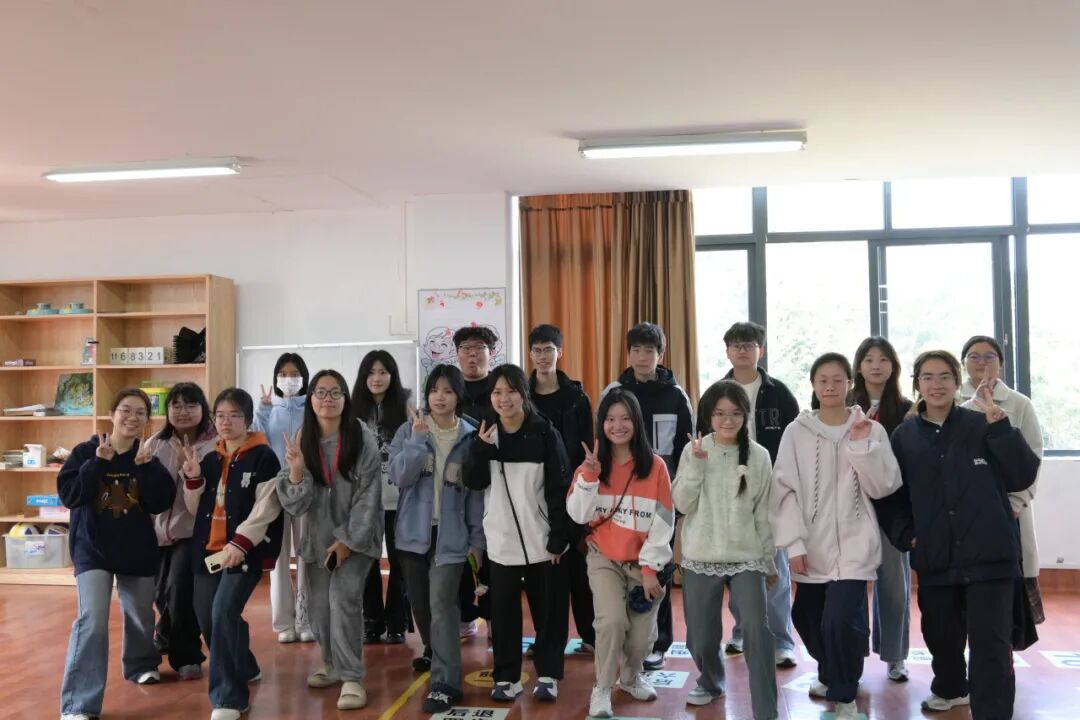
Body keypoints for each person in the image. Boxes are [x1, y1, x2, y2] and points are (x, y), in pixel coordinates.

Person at [879, 350, 1039, 718]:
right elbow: (891, 498)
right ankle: (950, 690)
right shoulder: (904, 437)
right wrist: (909, 537)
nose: (936, 385)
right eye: (927, 377)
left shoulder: (983, 424)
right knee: (942, 639)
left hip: (991, 559)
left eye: (944, 377)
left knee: (992, 650)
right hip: (937, 558)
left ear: (956, 382)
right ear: (916, 384)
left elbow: (1021, 475)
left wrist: (1001, 427)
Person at [771, 353, 903, 720]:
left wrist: (861, 446)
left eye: (837, 379)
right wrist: (793, 544)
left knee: (841, 620)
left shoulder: (870, 429)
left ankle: (845, 695)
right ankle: (831, 671)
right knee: (806, 617)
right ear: (813, 385)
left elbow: (884, 486)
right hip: (810, 546)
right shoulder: (796, 431)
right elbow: (783, 491)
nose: (830, 386)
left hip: (856, 545)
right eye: (822, 380)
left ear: (849, 383)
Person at [57, 389, 176, 720]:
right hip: (91, 550)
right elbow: (70, 495)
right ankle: (79, 704)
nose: (132, 417)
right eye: (126, 410)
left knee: (140, 614)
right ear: (112, 414)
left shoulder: (146, 456)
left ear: (147, 420)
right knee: (91, 620)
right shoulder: (86, 452)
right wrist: (98, 463)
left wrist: (147, 470)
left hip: (136, 549)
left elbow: (160, 503)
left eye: (140, 412)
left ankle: (141, 664)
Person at [464, 364, 572, 704]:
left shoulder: (544, 432)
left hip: (543, 540)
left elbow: (559, 487)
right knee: (504, 614)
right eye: (497, 392)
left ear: (524, 394)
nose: (504, 399)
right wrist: (480, 451)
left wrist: (559, 536)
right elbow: (473, 482)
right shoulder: (485, 434)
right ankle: (506, 677)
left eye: (511, 391)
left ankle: (549, 674)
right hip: (501, 542)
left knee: (549, 612)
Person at [277, 370, 383, 711]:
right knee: (320, 608)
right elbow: (295, 504)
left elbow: (369, 496)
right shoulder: (302, 438)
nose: (328, 399)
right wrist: (296, 472)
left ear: (345, 398)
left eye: (335, 392)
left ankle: (352, 676)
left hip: (358, 538)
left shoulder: (361, 437)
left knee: (343, 598)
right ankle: (331, 662)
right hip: (317, 540)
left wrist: (348, 541)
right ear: (310, 399)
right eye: (321, 393)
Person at [566, 389, 674, 719]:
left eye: (625, 418)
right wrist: (589, 477)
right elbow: (578, 515)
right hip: (604, 558)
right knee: (611, 621)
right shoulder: (591, 466)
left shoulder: (655, 467)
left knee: (641, 639)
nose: (618, 425)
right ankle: (602, 687)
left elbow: (664, 521)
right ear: (601, 424)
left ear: (637, 422)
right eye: (610, 419)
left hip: (643, 563)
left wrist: (650, 568)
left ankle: (629, 678)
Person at [674, 380, 778, 718]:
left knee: (757, 630)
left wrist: (769, 561)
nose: (727, 420)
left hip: (747, 557)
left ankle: (766, 710)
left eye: (735, 413)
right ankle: (711, 681)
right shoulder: (694, 450)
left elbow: (763, 514)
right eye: (719, 414)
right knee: (700, 637)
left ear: (746, 415)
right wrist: (697, 466)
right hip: (701, 556)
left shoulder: (759, 456)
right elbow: (681, 503)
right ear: (708, 416)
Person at [389, 364, 485, 714]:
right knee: (421, 605)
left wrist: (477, 543)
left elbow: (476, 495)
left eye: (447, 391)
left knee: (443, 605)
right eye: (433, 391)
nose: (439, 398)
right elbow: (399, 477)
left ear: (459, 396)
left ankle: (446, 684)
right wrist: (416, 442)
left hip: (453, 537)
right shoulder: (409, 429)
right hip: (413, 535)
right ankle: (438, 653)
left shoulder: (471, 437)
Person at [183, 388, 284, 720]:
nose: (225, 422)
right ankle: (245, 664)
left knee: (224, 611)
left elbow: (267, 508)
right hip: (208, 552)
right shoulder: (209, 458)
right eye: (220, 416)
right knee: (207, 617)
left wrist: (240, 544)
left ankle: (229, 697)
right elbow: (195, 509)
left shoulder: (264, 457)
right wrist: (193, 480)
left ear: (248, 419)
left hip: (245, 552)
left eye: (234, 415)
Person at [600, 321, 692, 670]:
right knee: (621, 569)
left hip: (661, 493)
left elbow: (686, 447)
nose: (642, 356)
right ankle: (627, 641)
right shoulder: (614, 392)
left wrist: (679, 494)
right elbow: (602, 439)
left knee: (657, 567)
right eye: (636, 350)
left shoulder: (676, 395)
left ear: (660, 354)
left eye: (649, 350)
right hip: (620, 496)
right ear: (628, 354)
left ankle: (658, 642)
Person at [720, 321, 800, 667]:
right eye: (736, 345)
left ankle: (781, 639)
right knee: (737, 565)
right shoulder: (717, 392)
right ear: (727, 351)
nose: (742, 350)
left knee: (775, 566)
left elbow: (796, 440)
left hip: (773, 489)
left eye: (749, 344)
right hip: (730, 489)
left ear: (760, 350)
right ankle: (741, 630)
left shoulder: (779, 392)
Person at [958, 334, 1045, 624]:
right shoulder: (953, 401)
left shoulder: (1019, 404)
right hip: (965, 508)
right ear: (963, 363)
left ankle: (1004, 648)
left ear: (1001, 363)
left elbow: (1033, 456)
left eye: (989, 356)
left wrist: (1017, 501)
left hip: (1009, 507)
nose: (981, 362)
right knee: (965, 596)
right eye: (973, 356)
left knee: (1009, 596)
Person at [527, 323, 595, 655]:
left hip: (572, 492)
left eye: (549, 350)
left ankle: (591, 637)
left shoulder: (576, 398)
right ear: (530, 355)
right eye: (537, 350)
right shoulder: (521, 397)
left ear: (560, 353)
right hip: (533, 492)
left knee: (579, 570)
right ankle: (546, 640)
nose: (543, 356)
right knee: (543, 573)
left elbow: (587, 448)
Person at [852, 336, 915, 681]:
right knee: (851, 583)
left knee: (893, 585)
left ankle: (895, 655)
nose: (876, 366)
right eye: (869, 359)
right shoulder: (842, 403)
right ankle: (852, 654)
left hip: (894, 509)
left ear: (893, 367)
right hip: (850, 505)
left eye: (883, 359)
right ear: (859, 366)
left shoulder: (907, 408)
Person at [146, 382, 216, 681]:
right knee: (160, 593)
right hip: (157, 532)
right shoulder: (155, 443)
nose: (183, 411)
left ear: (203, 408)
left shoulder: (214, 444)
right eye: (176, 405)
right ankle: (165, 631)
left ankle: (187, 656)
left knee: (180, 590)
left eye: (190, 405)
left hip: (194, 532)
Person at [353, 350, 413, 644]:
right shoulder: (352, 409)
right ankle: (372, 621)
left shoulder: (406, 405)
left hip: (399, 499)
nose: (376, 378)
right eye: (371, 373)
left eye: (383, 372)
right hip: (365, 499)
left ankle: (397, 622)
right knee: (367, 561)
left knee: (400, 563)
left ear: (392, 375)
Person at [253, 352, 313, 643]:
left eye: (295, 374)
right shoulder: (269, 409)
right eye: (284, 374)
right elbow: (254, 440)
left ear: (304, 378)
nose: (289, 379)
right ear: (276, 379)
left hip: (304, 489)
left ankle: (306, 620)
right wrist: (263, 411)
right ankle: (283, 623)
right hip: (275, 491)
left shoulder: (312, 409)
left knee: (306, 556)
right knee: (278, 559)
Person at [452, 325, 499, 635]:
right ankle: (465, 616)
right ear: (457, 354)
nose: (472, 355)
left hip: (495, 487)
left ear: (490, 353)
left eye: (479, 348)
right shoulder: (451, 391)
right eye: (466, 349)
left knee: (494, 557)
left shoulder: (499, 390)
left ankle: (495, 620)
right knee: (460, 551)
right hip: (457, 488)